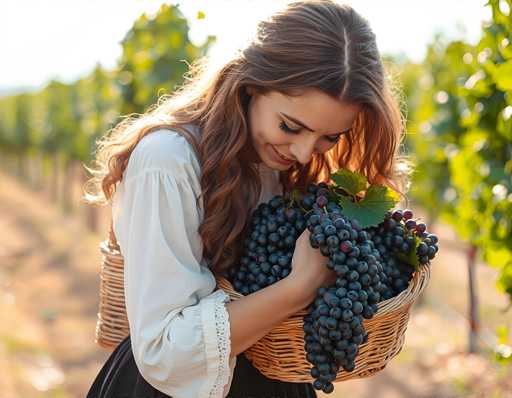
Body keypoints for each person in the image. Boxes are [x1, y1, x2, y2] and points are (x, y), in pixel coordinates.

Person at [83, 0, 410, 397]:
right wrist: (300, 286)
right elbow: (163, 351)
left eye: (330, 137)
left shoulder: (283, 166)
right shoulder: (168, 161)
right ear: (250, 85)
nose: (305, 154)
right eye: (290, 126)